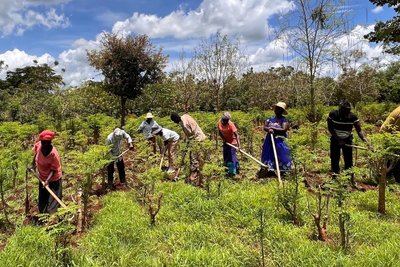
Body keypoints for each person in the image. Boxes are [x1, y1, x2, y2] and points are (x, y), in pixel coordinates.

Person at [327, 100, 371, 177]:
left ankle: (348, 177)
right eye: (345, 112)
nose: (347, 114)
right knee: (334, 158)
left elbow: (359, 130)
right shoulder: (333, 114)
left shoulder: (353, 117)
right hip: (335, 139)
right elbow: (330, 128)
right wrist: (339, 140)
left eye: (348, 112)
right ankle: (335, 176)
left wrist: (366, 142)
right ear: (340, 109)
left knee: (348, 160)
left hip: (347, 139)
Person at [31, 130, 62, 214]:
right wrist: (32, 165)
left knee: (53, 202)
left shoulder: (53, 154)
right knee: (42, 201)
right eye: (43, 142)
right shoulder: (39, 145)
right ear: (41, 141)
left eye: (47, 142)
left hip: (54, 179)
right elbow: (35, 154)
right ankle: (43, 218)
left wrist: (47, 181)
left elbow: (53, 170)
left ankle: (53, 220)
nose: (45, 145)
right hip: (42, 177)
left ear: (50, 142)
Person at [171, 113, 206, 183]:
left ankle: (194, 176)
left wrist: (188, 142)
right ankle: (201, 172)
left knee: (193, 158)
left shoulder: (184, 124)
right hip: (200, 137)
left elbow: (191, 134)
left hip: (197, 139)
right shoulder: (185, 116)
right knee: (199, 156)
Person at [260, 102, 292, 176]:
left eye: (278, 109)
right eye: (276, 108)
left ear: (281, 110)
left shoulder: (284, 120)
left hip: (280, 140)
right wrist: (269, 129)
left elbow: (284, 129)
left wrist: (272, 128)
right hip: (269, 139)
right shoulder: (270, 119)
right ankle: (269, 169)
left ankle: (284, 170)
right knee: (268, 153)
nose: (276, 110)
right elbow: (265, 127)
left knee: (282, 154)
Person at [380, 106, 400, 182]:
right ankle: (395, 178)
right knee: (394, 155)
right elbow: (396, 130)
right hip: (388, 133)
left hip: (392, 133)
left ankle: (388, 175)